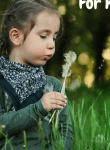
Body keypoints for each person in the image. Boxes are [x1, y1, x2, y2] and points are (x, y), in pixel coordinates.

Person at [0, 0, 73, 149]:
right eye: (44, 36)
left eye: (54, 37)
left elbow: (65, 132)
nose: (52, 44)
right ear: (16, 36)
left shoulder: (53, 86)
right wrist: (39, 108)